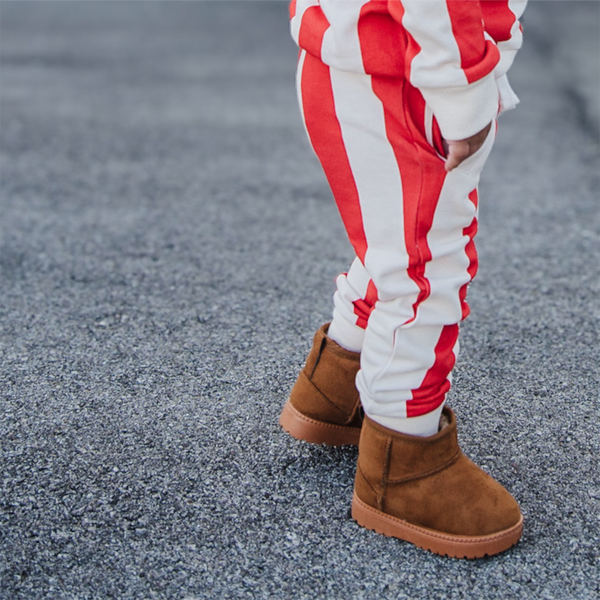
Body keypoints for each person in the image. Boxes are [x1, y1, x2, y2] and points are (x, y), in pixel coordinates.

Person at [279, 0, 528, 558]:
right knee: (428, 267)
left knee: (398, 244)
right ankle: (405, 460)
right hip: (406, 74)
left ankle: (336, 388)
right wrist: (462, 88)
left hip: (372, 59)